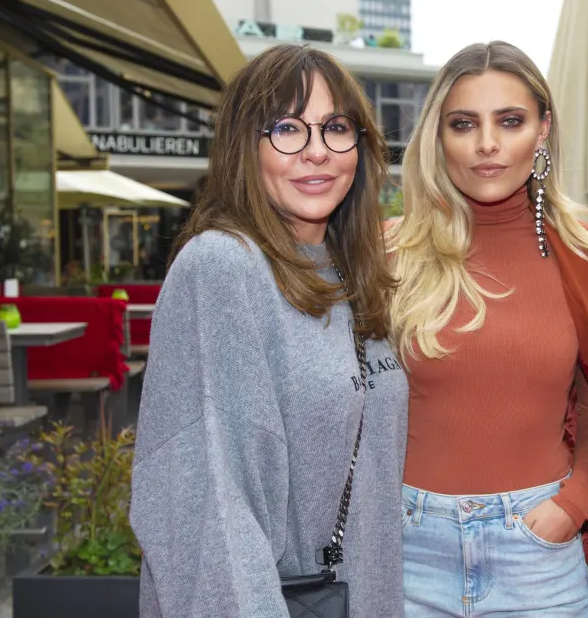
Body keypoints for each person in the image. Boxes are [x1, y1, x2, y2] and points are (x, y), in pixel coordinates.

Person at [130, 44, 408, 617]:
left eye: (335, 127)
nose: (316, 153)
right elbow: (209, 510)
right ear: (244, 147)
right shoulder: (223, 268)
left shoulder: (352, 270)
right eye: (287, 129)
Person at [387, 41, 588, 617]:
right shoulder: (389, 251)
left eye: (511, 121)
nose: (487, 144)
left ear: (542, 130)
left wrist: (575, 501)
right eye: (463, 124)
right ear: (438, 137)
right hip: (407, 550)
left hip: (537, 553)